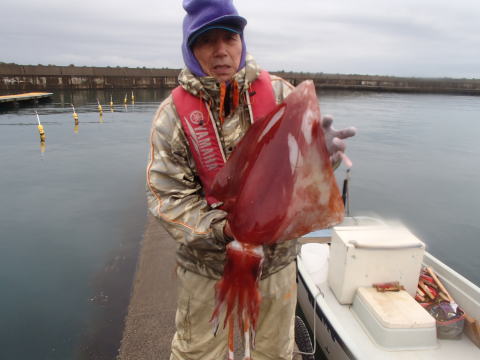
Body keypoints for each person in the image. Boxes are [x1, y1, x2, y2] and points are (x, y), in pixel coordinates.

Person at [146, 1, 355, 359]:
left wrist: (324, 159)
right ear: (190, 49)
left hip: (276, 264)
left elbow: (300, 178)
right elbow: (166, 198)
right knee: (198, 352)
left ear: (242, 41)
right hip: (206, 267)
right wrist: (225, 230)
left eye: (229, 37)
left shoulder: (280, 96)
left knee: (274, 352)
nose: (221, 50)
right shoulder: (172, 117)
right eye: (206, 40)